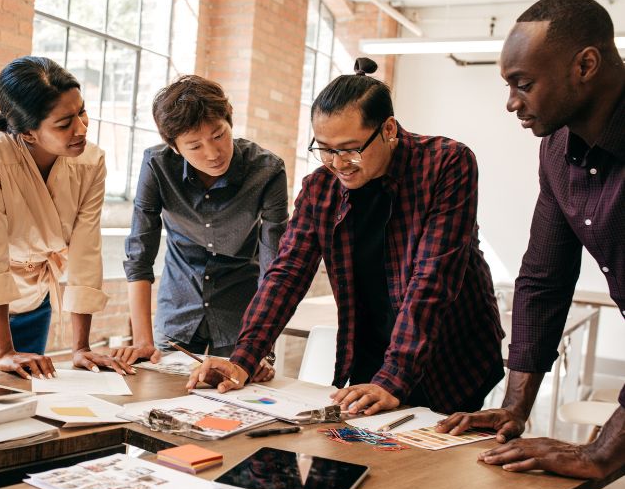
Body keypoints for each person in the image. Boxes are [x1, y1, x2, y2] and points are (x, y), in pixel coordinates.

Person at [189, 58, 504, 417]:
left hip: (449, 353)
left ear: (388, 130)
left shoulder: (446, 164)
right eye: (325, 149)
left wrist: (395, 377)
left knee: (431, 463)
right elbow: (286, 273)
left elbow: (433, 279)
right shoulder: (320, 188)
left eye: (351, 149)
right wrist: (243, 358)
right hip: (373, 355)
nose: (338, 164)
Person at [436, 0, 625, 480]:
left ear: (585, 65)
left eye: (524, 83)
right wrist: (514, 407)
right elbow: (543, 278)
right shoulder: (558, 151)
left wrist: (602, 450)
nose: (511, 102)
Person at [0, 56, 124, 380]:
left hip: (34, 300)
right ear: (29, 132)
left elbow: (86, 251)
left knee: (28, 402)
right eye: (64, 123)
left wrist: (80, 347)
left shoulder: (92, 162)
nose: (81, 128)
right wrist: (3, 352)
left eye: (81, 112)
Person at [114, 75, 287, 374]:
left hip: (242, 311)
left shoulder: (267, 170)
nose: (212, 153)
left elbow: (275, 267)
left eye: (219, 135)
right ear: (175, 147)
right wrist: (142, 340)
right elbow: (139, 255)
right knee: (163, 396)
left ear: (230, 122)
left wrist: (260, 348)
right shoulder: (157, 165)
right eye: (194, 145)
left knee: (234, 403)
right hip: (179, 302)